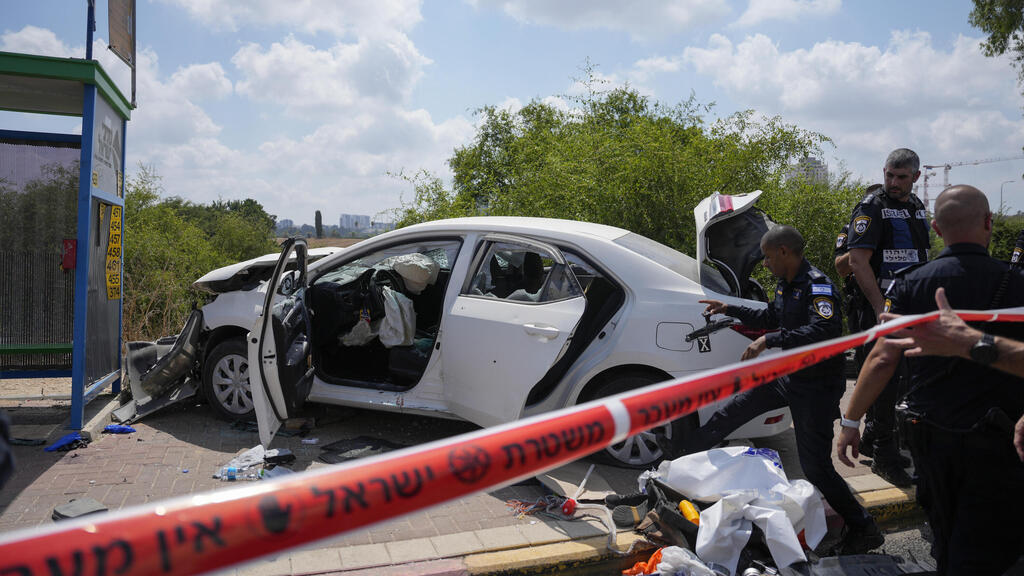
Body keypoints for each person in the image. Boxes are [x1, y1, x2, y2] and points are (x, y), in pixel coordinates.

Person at [836, 185, 1024, 575]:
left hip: (932, 440)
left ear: (936, 229)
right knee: (989, 542)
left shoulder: (910, 283)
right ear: (989, 223)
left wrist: (850, 423)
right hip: (1000, 440)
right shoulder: (1017, 283)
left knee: (944, 534)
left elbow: (883, 358)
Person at [680, 225, 883, 555]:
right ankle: (678, 464)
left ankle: (863, 527)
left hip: (816, 388)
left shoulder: (818, 286)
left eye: (768, 257)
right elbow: (770, 316)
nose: (765, 264)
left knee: (816, 467)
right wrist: (729, 308)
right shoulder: (784, 285)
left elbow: (824, 331)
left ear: (785, 252)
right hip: (789, 376)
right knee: (733, 410)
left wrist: (769, 340)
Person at [841, 149, 930, 487]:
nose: (893, 182)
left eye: (902, 177)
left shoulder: (917, 208)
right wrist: (880, 308)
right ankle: (883, 455)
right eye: (890, 175)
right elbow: (858, 262)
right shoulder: (871, 207)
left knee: (902, 380)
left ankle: (872, 439)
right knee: (885, 379)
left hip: (910, 308)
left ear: (915, 178)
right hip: (879, 310)